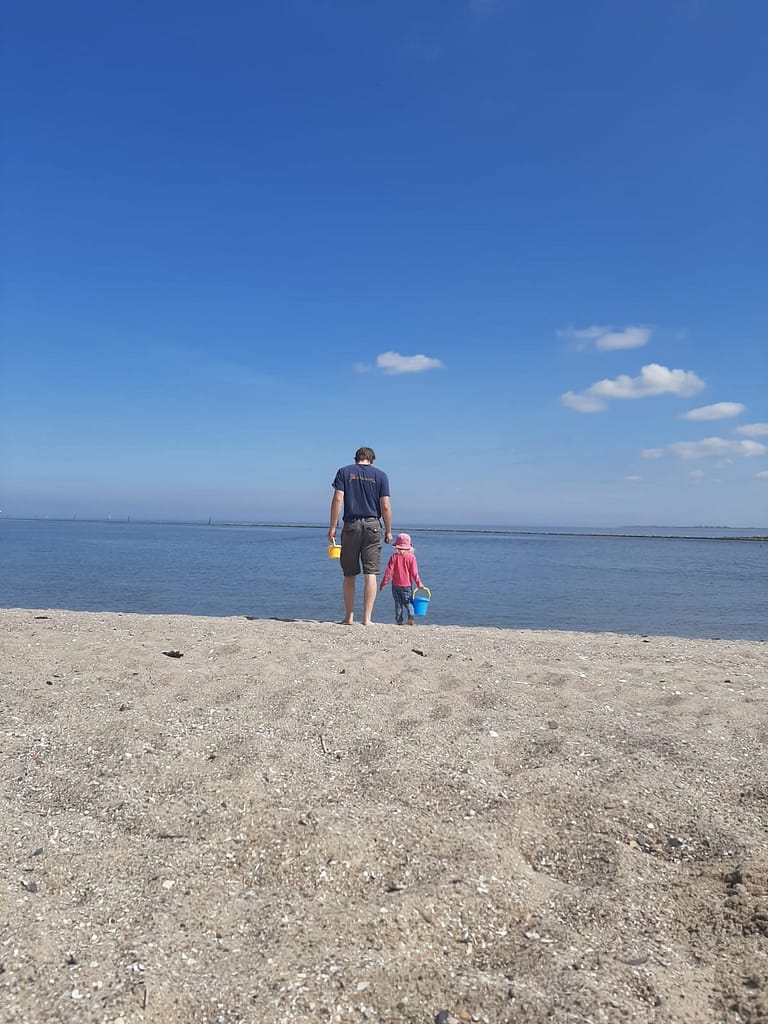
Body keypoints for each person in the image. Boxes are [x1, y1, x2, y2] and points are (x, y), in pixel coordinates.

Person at [328, 447, 392, 626]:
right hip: (373, 525)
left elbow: (338, 499)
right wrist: (388, 530)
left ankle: (349, 617)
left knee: (349, 574)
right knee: (370, 573)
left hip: (351, 525)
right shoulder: (381, 476)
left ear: (356, 458)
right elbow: (385, 505)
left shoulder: (344, 472)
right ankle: (367, 619)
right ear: (372, 459)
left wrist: (332, 526)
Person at [379, 533, 425, 626]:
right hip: (407, 586)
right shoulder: (411, 557)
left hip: (395, 585)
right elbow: (414, 573)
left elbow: (389, 572)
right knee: (408, 603)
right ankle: (411, 617)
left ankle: (399, 621)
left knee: (398, 604)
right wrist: (419, 584)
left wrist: (383, 583)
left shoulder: (394, 557)